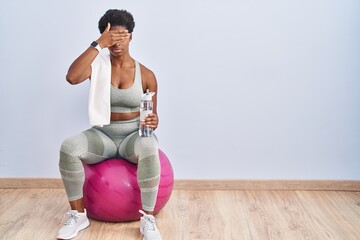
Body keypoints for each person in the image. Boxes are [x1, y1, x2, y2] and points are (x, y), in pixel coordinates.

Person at [57, 9, 162, 240]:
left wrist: (154, 121)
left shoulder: (146, 74)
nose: (116, 41)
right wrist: (97, 44)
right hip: (102, 136)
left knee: (149, 146)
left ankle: (148, 219)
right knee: (69, 147)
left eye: (121, 35)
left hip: (132, 137)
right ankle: (78, 215)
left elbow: (153, 117)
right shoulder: (97, 66)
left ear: (131, 36)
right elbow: (72, 77)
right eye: (111, 37)